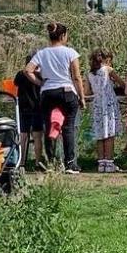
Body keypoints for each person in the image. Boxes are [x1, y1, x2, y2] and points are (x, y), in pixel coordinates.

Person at [24, 22, 87, 174]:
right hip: (67, 92)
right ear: (63, 36)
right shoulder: (70, 52)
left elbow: (27, 70)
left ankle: (50, 162)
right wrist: (82, 97)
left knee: (48, 127)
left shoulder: (42, 53)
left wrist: (40, 82)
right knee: (68, 128)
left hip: (48, 93)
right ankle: (70, 163)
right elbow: (77, 77)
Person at [86, 49, 123, 173]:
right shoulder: (108, 70)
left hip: (97, 105)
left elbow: (87, 92)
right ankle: (110, 162)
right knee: (109, 134)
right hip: (109, 104)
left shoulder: (89, 74)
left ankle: (101, 163)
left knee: (100, 134)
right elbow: (121, 83)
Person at [13, 52, 47, 170]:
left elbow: (15, 83)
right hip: (37, 107)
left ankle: (21, 162)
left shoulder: (20, 75)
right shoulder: (40, 75)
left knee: (23, 135)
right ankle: (38, 162)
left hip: (23, 108)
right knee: (37, 136)